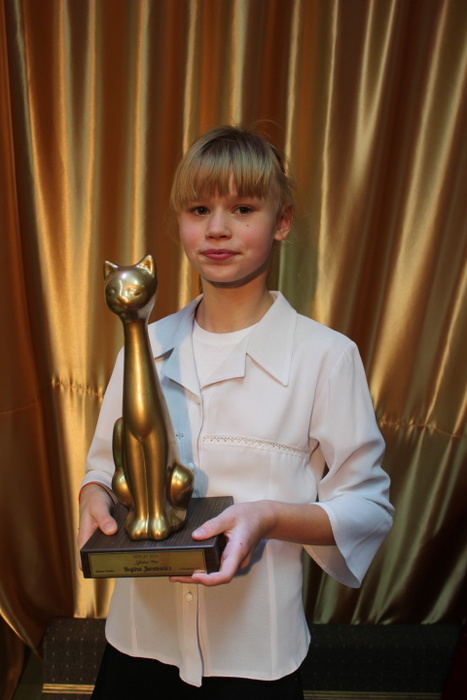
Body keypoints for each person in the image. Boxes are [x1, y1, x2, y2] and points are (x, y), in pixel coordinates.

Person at [78, 125, 394, 699]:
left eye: (242, 208)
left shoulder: (326, 356)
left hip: (257, 661)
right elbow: (103, 467)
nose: (217, 228)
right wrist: (92, 498)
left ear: (282, 221)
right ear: (179, 222)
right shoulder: (143, 346)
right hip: (137, 644)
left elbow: (367, 505)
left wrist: (268, 517)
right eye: (199, 209)